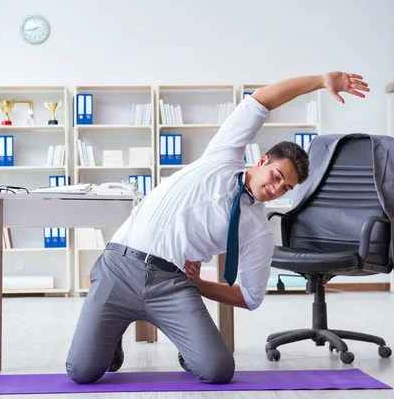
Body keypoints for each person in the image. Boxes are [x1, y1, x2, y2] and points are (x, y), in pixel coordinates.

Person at [65, 72, 370, 384]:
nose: (277, 189)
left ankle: (186, 340)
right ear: (263, 160)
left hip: (171, 284)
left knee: (217, 370)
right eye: (277, 176)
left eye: (286, 188)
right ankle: (111, 334)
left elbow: (252, 297)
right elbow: (263, 99)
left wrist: (200, 285)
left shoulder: (257, 230)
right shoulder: (222, 156)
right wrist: (320, 81)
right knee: (82, 372)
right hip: (119, 269)